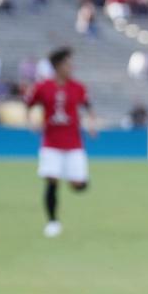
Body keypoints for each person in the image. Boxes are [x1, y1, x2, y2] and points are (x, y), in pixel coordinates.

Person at [26, 48, 96, 238]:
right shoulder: (43, 87)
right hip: (51, 143)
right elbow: (29, 104)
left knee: (79, 185)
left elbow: (88, 107)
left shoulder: (78, 87)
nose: (71, 66)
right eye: (67, 63)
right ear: (57, 66)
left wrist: (91, 123)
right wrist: (31, 119)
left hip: (74, 143)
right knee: (51, 181)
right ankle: (52, 222)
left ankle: (71, 175)